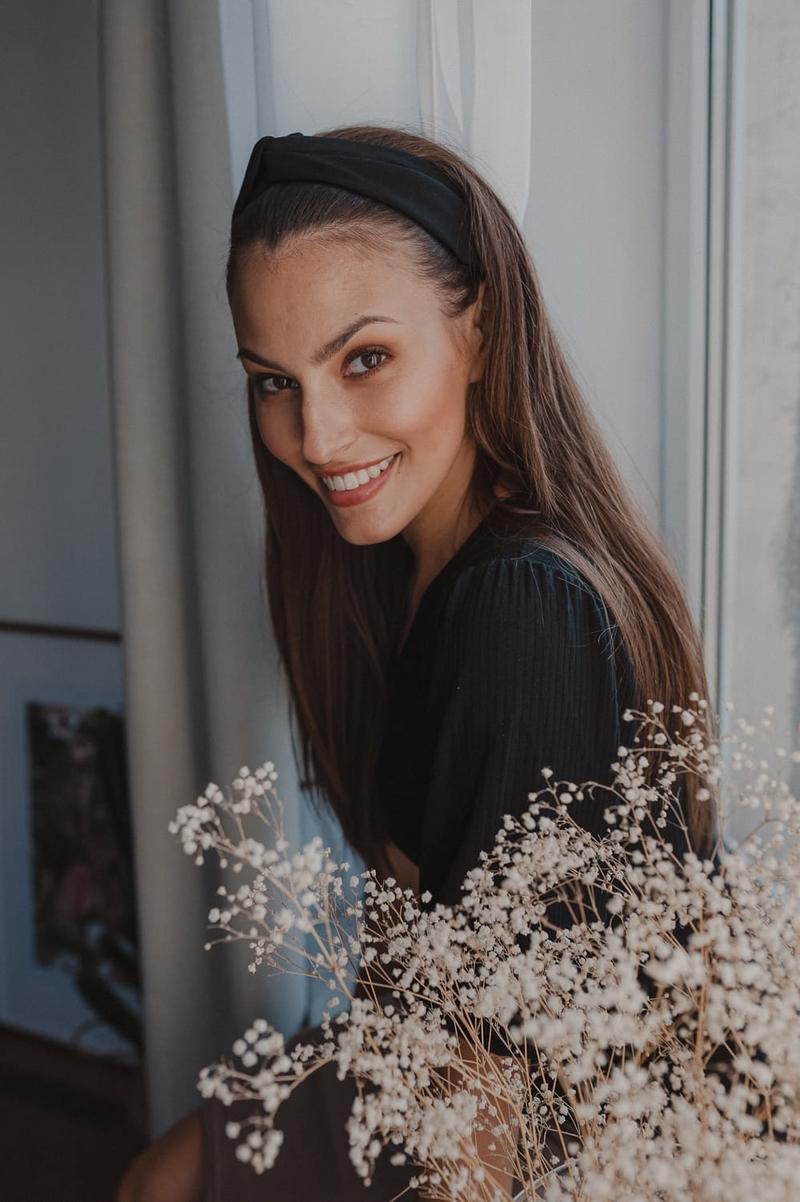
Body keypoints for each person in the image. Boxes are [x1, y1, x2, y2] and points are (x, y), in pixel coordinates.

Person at [116, 125, 718, 1201]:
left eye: (363, 359)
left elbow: (497, 1087)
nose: (315, 436)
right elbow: (421, 937)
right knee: (160, 1178)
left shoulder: (518, 612)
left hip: (557, 1132)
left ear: (478, 331)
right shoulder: (403, 571)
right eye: (273, 380)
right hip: (421, 1051)